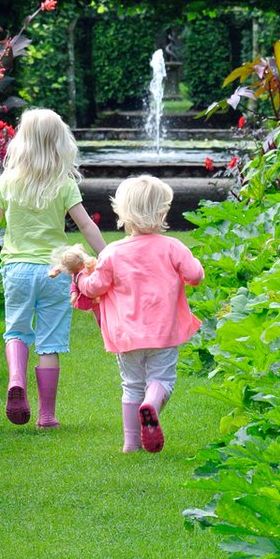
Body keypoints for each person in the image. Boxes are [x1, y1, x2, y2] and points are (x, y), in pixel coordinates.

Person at [0, 109, 105, 429]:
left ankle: (17, 380)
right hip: (55, 274)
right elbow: (86, 226)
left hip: (16, 271)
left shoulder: (8, 182)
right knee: (50, 343)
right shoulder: (64, 183)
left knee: (16, 331)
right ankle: (46, 416)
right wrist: (108, 256)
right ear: (60, 143)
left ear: (22, 142)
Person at [72, 175, 204, 453]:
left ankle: (131, 443)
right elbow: (194, 276)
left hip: (127, 334)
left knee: (131, 385)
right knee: (162, 380)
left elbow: (95, 285)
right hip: (163, 332)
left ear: (121, 212)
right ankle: (152, 405)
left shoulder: (112, 253)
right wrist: (195, 263)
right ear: (163, 211)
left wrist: (81, 278)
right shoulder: (173, 247)